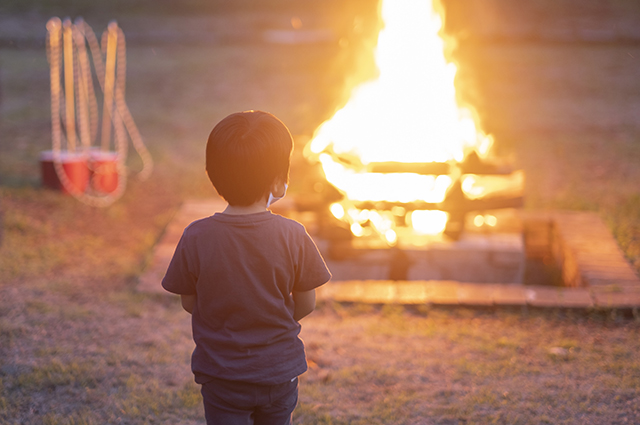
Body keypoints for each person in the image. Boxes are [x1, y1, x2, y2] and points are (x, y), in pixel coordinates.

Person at [162, 110, 331, 425]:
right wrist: (270, 317)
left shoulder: (196, 236)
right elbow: (307, 302)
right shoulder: (293, 235)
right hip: (279, 374)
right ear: (280, 181)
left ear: (213, 176)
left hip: (222, 375)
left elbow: (190, 302)